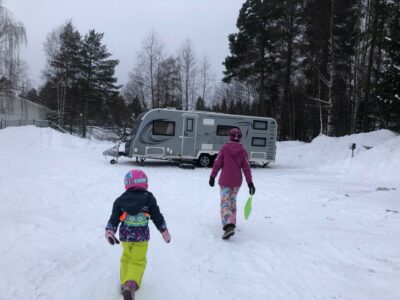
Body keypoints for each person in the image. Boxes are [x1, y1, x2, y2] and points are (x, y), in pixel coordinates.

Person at [105, 169, 171, 300]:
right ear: (144, 183)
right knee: (138, 260)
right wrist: (164, 231)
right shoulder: (148, 198)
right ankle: (131, 284)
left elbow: (114, 217)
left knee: (126, 258)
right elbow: (157, 216)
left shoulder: (120, 200)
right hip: (141, 238)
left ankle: (124, 283)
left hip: (126, 237)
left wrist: (110, 230)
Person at [209, 127, 255, 240]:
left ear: (229, 136)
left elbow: (217, 163)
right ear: (239, 138)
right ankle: (232, 221)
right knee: (232, 201)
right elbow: (247, 168)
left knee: (225, 202)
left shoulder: (224, 148)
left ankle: (228, 225)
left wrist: (212, 176)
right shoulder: (243, 152)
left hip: (225, 181)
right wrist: (250, 183)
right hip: (236, 182)